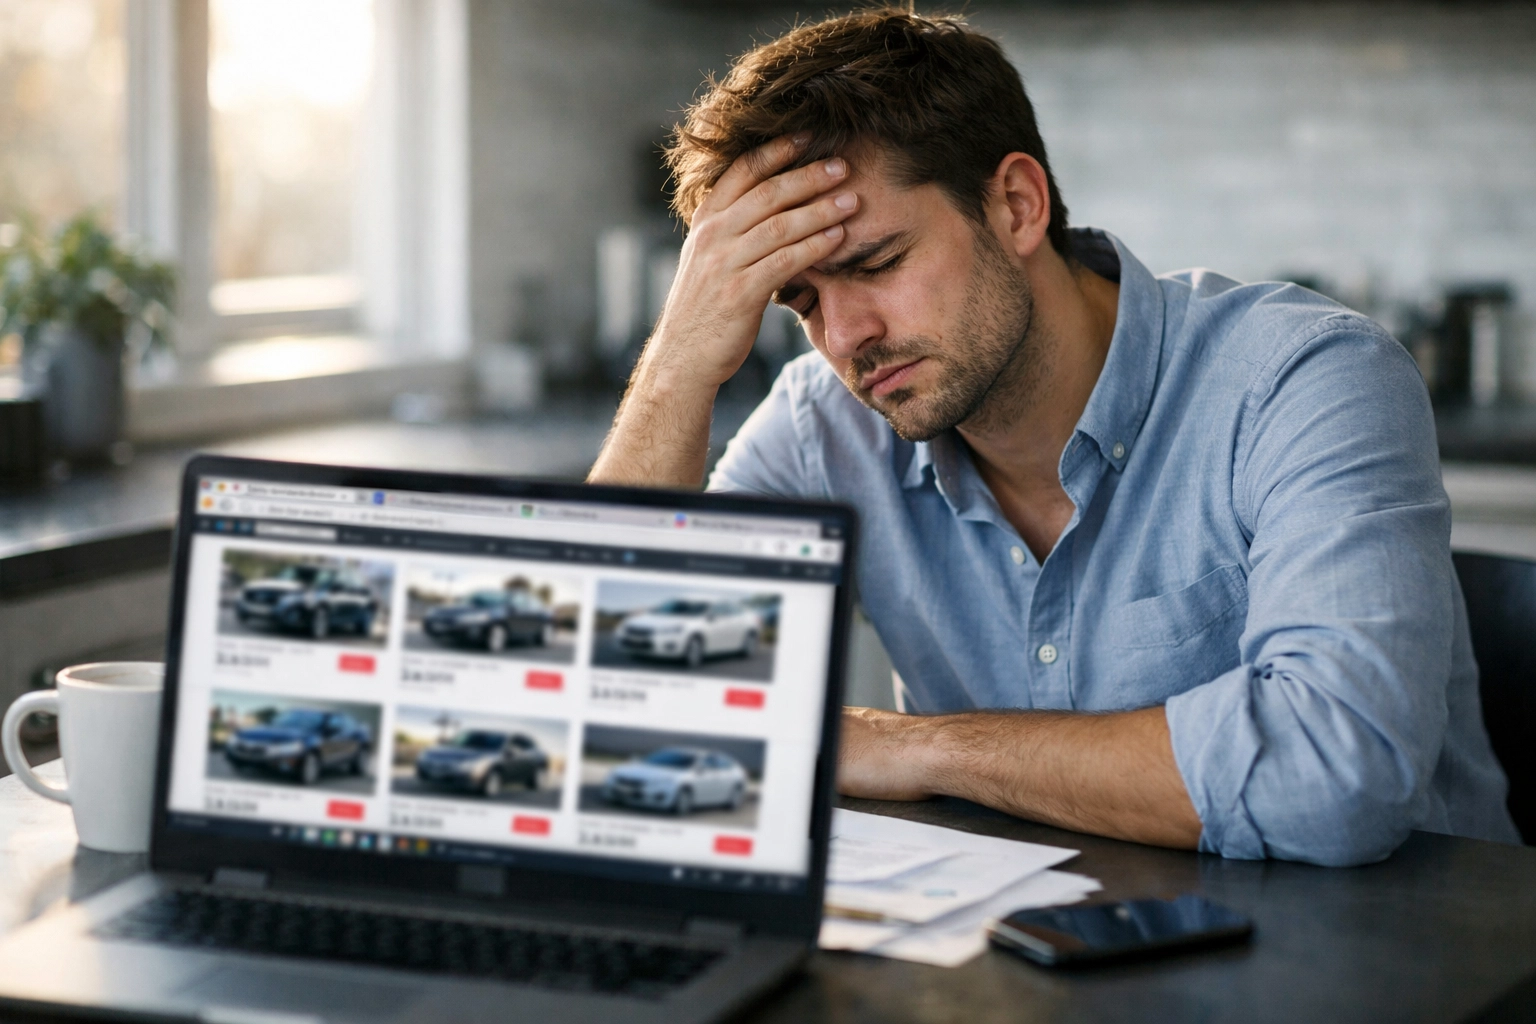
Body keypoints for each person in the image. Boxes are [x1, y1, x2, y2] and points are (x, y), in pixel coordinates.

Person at [587, 8, 1518, 865]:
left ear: (1018, 206)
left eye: (875, 263)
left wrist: (914, 750)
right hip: (1027, 959)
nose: (846, 337)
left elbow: (1334, 773)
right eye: (801, 302)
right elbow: (605, 690)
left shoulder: (1302, 380)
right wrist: (678, 362)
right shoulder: (821, 425)